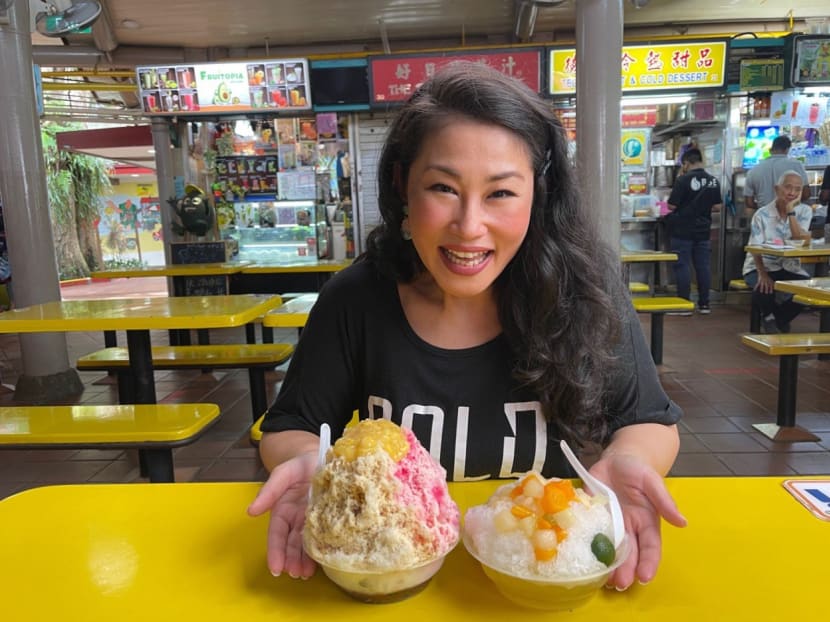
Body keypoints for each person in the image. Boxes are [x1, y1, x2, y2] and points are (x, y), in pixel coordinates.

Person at [247, 62, 686, 591]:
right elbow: (292, 424)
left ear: (537, 197)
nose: (469, 227)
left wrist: (627, 459)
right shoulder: (356, 300)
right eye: (443, 188)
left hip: (534, 579)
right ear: (402, 185)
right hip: (397, 579)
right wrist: (307, 465)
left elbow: (649, 421)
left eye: (500, 193)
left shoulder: (584, 294)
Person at [742, 170, 813, 334]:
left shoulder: (805, 211)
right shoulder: (762, 214)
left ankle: (775, 318)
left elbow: (797, 238)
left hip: (789, 266)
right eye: (788, 188)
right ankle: (772, 319)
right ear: (777, 189)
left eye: (797, 189)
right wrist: (762, 273)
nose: (792, 193)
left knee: (808, 289)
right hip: (760, 265)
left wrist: (790, 211)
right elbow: (755, 248)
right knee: (764, 287)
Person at [665, 148, 723, 314]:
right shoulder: (713, 181)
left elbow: (671, 206)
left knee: (682, 266)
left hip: (682, 229)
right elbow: (718, 206)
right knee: (702, 266)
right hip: (703, 230)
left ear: (686, 163)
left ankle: (684, 305)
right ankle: (704, 304)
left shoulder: (682, 180)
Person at [743, 135, 809, 214]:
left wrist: (764, 208)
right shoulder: (796, 166)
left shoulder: (753, 170)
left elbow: (749, 202)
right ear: (787, 149)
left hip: (764, 218)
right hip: (790, 217)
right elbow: (806, 194)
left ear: (771, 150)